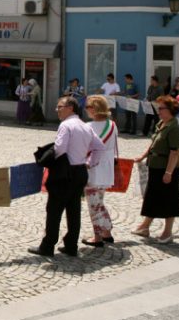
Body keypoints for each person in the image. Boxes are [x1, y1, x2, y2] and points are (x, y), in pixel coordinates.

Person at [28, 97, 103, 258]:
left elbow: (60, 148)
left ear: (70, 108)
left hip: (64, 172)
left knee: (54, 210)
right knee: (74, 210)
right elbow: (100, 147)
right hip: (80, 171)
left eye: (60, 106)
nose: (57, 110)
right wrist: (90, 162)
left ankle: (48, 246)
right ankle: (71, 246)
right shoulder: (85, 126)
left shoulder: (66, 125)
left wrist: (46, 158)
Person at [132, 95, 179, 243]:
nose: (158, 110)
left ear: (170, 110)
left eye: (161, 108)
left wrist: (168, 172)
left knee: (169, 199)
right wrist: (142, 157)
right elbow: (153, 143)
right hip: (154, 166)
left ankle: (167, 232)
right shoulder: (162, 123)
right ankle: (145, 226)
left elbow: (174, 152)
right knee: (152, 197)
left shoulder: (174, 128)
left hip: (166, 168)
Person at [82, 95, 118, 246]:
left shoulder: (88, 126)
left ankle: (97, 237)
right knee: (99, 200)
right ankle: (107, 232)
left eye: (87, 107)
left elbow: (85, 148)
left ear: (93, 109)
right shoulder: (112, 125)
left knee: (93, 203)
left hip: (93, 166)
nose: (85, 110)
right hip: (107, 166)